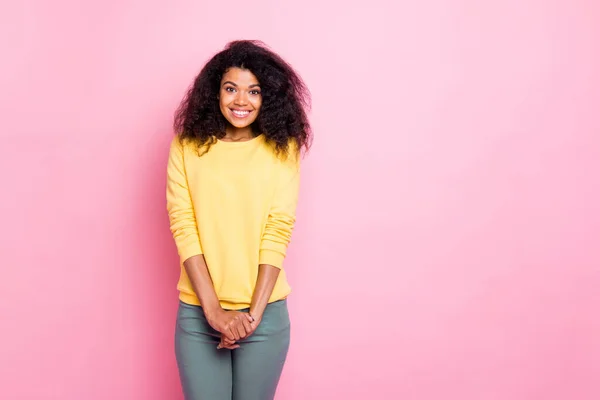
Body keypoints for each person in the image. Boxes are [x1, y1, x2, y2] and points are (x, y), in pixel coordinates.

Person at [166, 40, 312, 400]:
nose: (241, 100)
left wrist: (250, 317)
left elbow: (278, 230)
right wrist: (214, 312)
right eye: (231, 88)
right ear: (215, 92)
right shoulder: (187, 146)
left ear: (269, 98)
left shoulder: (283, 149)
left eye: (254, 91)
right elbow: (184, 227)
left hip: (264, 315)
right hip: (199, 315)